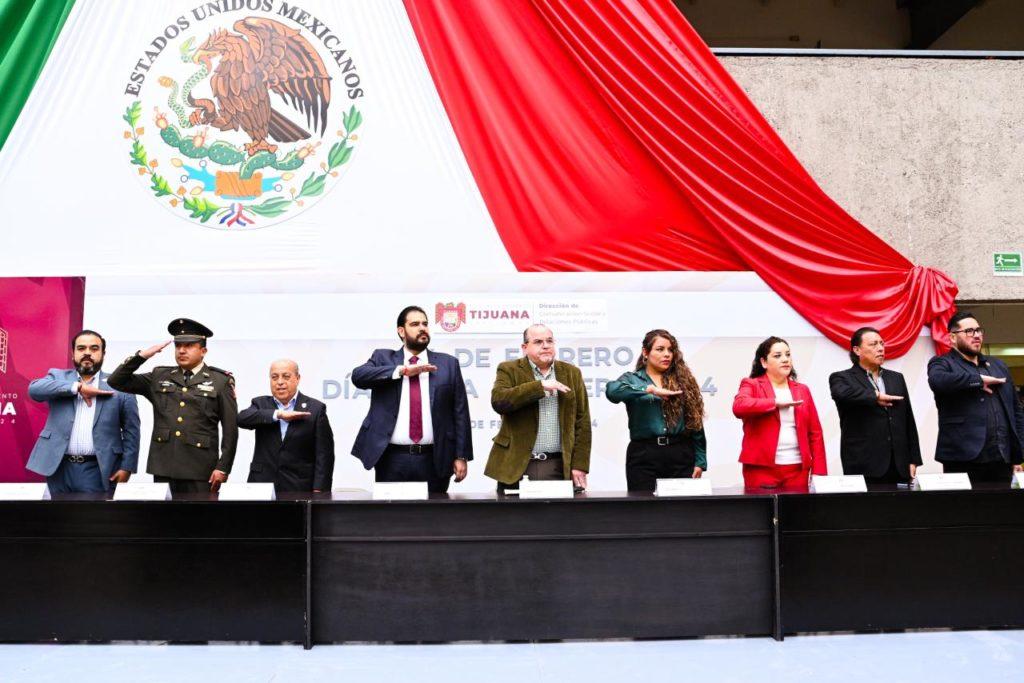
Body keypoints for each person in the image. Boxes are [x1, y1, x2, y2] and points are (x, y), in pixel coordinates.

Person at [108, 318, 238, 494]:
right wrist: (142, 356)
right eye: (178, 346)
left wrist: (223, 467)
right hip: (163, 466)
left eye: (189, 345)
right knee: (164, 520)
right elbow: (116, 381)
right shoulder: (159, 376)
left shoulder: (220, 381)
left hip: (200, 469)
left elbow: (230, 429)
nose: (182, 350)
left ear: (203, 351)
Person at [350, 305, 472, 493]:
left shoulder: (448, 364)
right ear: (401, 331)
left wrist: (461, 455)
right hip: (391, 458)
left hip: (435, 458)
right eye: (415, 324)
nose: (422, 328)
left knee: (434, 519)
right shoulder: (384, 358)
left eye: (425, 323)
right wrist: (402, 371)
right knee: (393, 518)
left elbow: (460, 412)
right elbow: (359, 376)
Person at [26, 330, 140, 494]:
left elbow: (131, 431)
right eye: (81, 348)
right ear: (73, 354)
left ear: (103, 354)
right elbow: (34, 390)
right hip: (58, 466)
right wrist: (76, 387)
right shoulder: (58, 377)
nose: (87, 353)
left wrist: (127, 467)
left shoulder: (121, 385)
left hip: (99, 468)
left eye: (94, 349)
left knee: (92, 518)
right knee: (57, 517)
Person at [486, 324, 591, 492]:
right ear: (525, 347)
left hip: (558, 465)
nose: (546, 345)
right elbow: (499, 401)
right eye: (538, 341)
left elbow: (582, 421)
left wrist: (580, 464)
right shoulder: (509, 369)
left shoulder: (572, 373)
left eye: (549, 341)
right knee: (513, 519)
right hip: (517, 465)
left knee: (557, 518)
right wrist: (539, 386)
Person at [927, 311, 1024, 483]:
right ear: (952, 338)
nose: (977, 335)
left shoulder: (998, 365)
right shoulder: (942, 363)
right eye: (969, 331)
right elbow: (938, 381)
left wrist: (1018, 454)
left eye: (979, 330)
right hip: (962, 456)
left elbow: (1015, 412)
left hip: (1002, 456)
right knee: (964, 509)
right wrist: (978, 380)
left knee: (1002, 509)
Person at [606, 329, 707, 492]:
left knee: (680, 512)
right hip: (644, 455)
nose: (667, 354)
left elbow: (695, 423)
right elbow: (612, 391)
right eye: (660, 349)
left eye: (670, 350)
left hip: (680, 453)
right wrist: (649, 389)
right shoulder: (633, 379)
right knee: (645, 512)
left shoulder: (683, 381)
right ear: (645, 352)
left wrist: (700, 460)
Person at [829, 327, 922, 485]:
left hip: (899, 464)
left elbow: (908, 420)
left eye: (882, 344)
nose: (880, 348)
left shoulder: (896, 378)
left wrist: (914, 459)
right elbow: (841, 394)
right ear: (857, 350)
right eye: (873, 344)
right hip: (864, 464)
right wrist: (875, 396)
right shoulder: (841, 378)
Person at [732, 336, 827, 490]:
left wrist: (819, 472)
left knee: (797, 514)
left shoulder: (802, 389)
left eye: (788, 355)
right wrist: (774, 403)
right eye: (778, 356)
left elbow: (815, 433)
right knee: (763, 514)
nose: (785, 359)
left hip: (798, 468)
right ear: (764, 362)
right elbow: (739, 406)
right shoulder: (752, 384)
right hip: (761, 469)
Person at [238, 359, 335, 493]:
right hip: (262, 484)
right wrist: (279, 414)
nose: (280, 382)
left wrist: (319, 488)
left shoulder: (315, 409)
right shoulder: (260, 404)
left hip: (299, 486)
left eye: (286, 376)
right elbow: (242, 418)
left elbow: (324, 455)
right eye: (274, 377)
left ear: (297, 378)